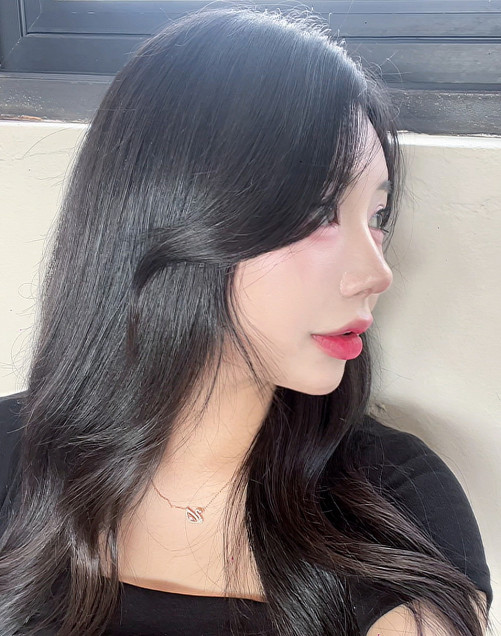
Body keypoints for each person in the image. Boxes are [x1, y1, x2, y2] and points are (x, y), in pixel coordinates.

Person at [0, 4, 493, 635]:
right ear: (170, 216)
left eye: (376, 217)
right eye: (320, 212)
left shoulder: (396, 497)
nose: (377, 273)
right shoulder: (13, 454)